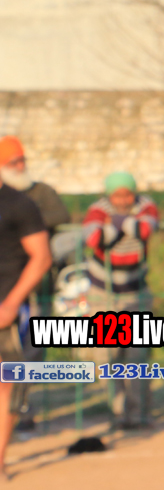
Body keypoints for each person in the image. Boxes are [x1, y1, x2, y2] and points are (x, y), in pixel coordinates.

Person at [0, 136, 69, 431]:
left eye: (22, 160)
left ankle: (21, 412)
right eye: (13, 162)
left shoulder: (35, 195)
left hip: (28, 293)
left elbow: (61, 216)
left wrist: (27, 218)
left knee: (24, 361)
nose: (20, 166)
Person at [83, 172, 159, 428]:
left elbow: (145, 230)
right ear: (109, 195)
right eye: (117, 195)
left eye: (128, 194)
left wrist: (114, 223)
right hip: (103, 292)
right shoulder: (97, 209)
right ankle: (118, 412)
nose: (123, 200)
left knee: (137, 356)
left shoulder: (146, 205)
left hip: (136, 291)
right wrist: (128, 224)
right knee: (107, 355)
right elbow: (93, 239)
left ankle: (139, 413)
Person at [0, 178, 51, 479]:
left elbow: (41, 257)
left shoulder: (19, 204)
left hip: (6, 309)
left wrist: (11, 303)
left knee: (5, 383)